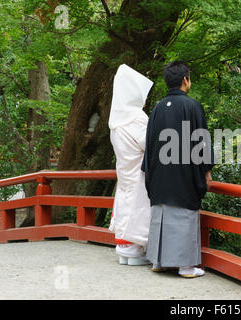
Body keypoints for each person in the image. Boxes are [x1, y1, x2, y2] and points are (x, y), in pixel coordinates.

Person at [141, 61, 215, 278]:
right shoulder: (192, 107)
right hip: (183, 173)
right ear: (185, 80)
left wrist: (150, 171)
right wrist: (207, 172)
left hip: (159, 173)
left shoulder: (156, 109)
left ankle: (158, 261)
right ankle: (185, 266)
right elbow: (200, 142)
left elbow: (150, 144)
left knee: (161, 211)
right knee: (183, 212)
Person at [108, 64, 153, 266]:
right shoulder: (136, 117)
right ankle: (135, 248)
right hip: (138, 170)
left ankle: (124, 249)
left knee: (125, 201)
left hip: (124, 170)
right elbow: (149, 144)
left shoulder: (116, 119)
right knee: (138, 206)